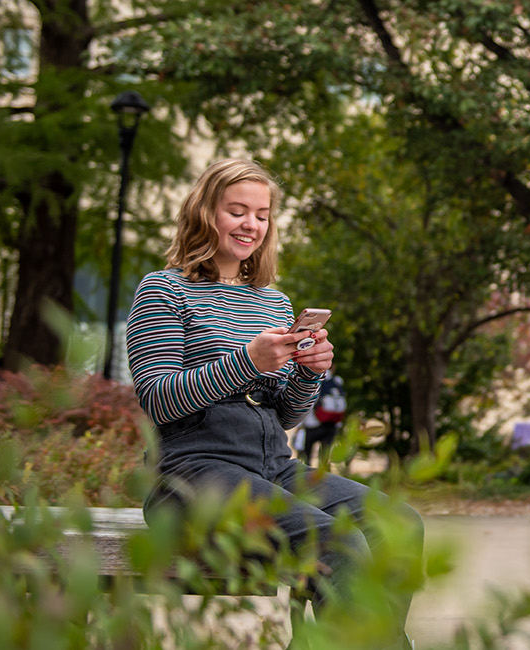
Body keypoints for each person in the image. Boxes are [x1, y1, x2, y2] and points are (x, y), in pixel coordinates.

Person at [126, 159, 422, 642]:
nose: (251, 225)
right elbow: (159, 400)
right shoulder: (164, 289)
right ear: (205, 212)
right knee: (337, 541)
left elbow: (284, 413)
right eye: (237, 211)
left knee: (399, 524)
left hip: (270, 466)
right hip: (192, 472)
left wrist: (308, 374)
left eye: (261, 215)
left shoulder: (271, 301)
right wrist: (248, 361)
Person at [298, 369, 346, 468]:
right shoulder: (336, 381)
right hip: (331, 424)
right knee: (325, 455)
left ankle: (307, 478)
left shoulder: (314, 377)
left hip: (312, 423)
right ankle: (323, 476)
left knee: (307, 455)